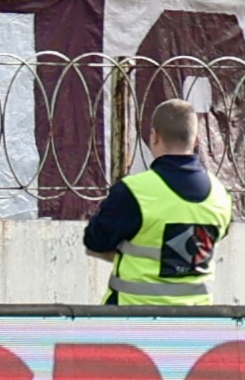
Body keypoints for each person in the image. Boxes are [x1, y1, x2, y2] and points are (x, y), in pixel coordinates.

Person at [84, 97, 233, 308]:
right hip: (198, 324)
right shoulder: (220, 195)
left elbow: (95, 242)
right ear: (196, 140)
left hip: (131, 321)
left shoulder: (134, 192)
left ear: (154, 137)